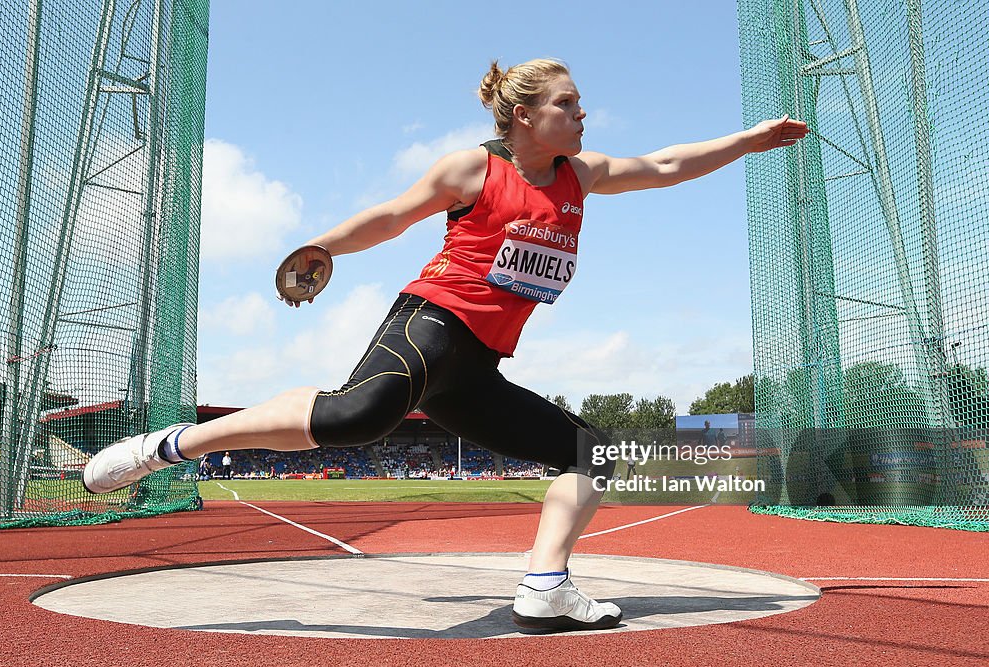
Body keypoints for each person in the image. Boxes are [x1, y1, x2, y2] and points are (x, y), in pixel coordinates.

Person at [83, 58, 807, 631]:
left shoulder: (581, 177)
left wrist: (751, 140)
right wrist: (320, 248)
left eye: (581, 105)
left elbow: (670, 164)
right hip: (431, 323)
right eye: (567, 104)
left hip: (476, 370)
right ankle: (171, 445)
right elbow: (392, 216)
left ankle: (546, 587)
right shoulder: (474, 169)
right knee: (354, 419)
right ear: (524, 116)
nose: (583, 114)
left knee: (595, 454)